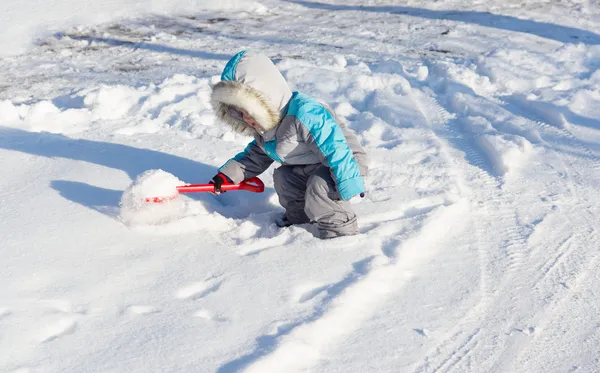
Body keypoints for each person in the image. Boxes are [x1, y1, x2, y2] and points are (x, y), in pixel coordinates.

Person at [210, 50, 368, 239]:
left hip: (345, 162)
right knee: (285, 178)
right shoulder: (266, 128)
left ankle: (340, 232)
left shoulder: (305, 113)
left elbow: (335, 148)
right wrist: (227, 176)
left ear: (266, 100)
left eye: (249, 111)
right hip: (309, 165)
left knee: (320, 188)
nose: (245, 118)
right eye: (239, 113)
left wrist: (349, 184)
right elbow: (255, 156)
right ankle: (301, 222)